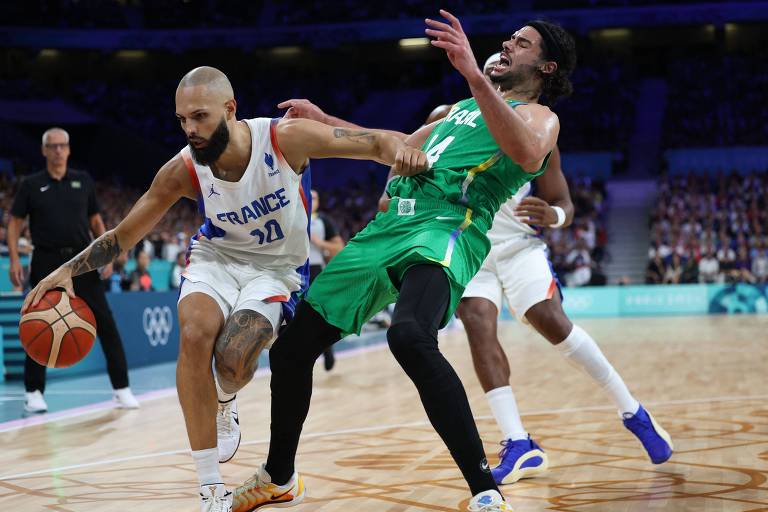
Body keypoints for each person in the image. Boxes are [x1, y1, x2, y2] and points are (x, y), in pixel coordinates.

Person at [22, 66, 425, 512]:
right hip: (217, 259)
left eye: (199, 116)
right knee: (194, 334)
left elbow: (373, 142)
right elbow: (124, 235)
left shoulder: (284, 138)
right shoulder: (182, 169)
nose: (190, 129)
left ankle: (225, 396)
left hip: (277, 271)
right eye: (182, 120)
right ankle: (210, 488)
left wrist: (402, 153)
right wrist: (68, 271)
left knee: (234, 358)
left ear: (230, 109)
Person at [233, 13, 575, 512]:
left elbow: (524, 154)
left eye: (520, 44)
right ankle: (279, 476)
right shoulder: (455, 111)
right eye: (507, 38)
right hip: (386, 232)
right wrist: (324, 122)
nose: (506, 44)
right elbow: (389, 146)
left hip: (448, 226)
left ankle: (485, 490)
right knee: (290, 352)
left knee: (410, 335)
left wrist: (472, 74)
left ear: (546, 66)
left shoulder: (539, 118)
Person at [8, 127, 139, 414]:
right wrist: (15, 260)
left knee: (106, 324)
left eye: (62, 145)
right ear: (44, 150)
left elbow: (95, 221)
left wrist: (108, 253)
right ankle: (34, 392)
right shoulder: (31, 184)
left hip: (82, 263)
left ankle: (121, 388)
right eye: (52, 146)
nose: (57, 150)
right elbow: (15, 223)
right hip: (45, 262)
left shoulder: (83, 181)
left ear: (68, 149)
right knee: (36, 324)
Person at [308, 189, 344, 371]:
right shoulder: (291, 216)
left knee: (318, 315)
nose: (310, 199)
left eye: (314, 197)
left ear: (318, 201)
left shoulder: (324, 221)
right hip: (293, 271)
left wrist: (320, 243)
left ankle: (327, 350)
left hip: (316, 270)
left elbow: (339, 247)